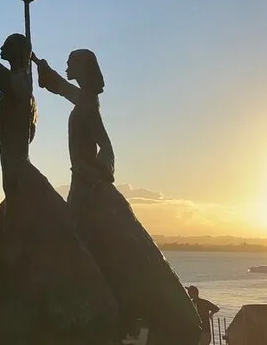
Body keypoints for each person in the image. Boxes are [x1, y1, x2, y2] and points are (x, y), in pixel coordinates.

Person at [0, 21, 118, 345]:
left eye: (8, 45)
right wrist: (3, 128)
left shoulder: (22, 83)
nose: (1, 48)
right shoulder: (68, 95)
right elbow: (36, 115)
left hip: (34, 173)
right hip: (22, 172)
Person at [35, 50, 202, 345]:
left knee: (81, 244)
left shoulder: (88, 103)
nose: (67, 66)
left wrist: (94, 172)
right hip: (80, 184)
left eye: (71, 63)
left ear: (83, 68)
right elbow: (61, 88)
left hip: (87, 187)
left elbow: (107, 146)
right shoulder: (84, 98)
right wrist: (42, 68)